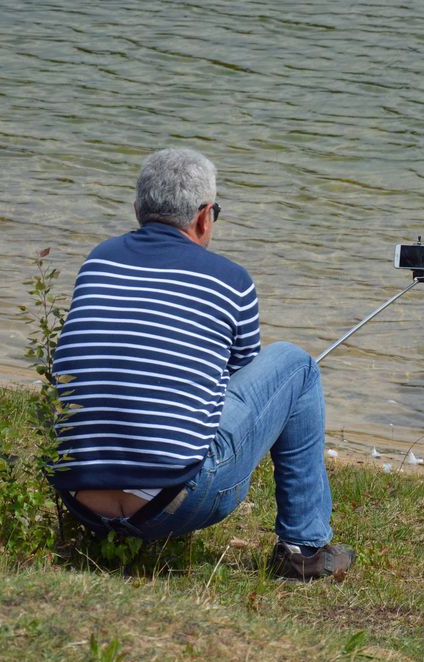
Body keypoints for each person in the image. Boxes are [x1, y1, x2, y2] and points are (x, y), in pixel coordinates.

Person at [47, 147, 355, 580]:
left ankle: (117, 518)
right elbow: (242, 381)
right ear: (204, 215)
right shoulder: (230, 279)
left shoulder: (98, 260)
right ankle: (303, 549)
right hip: (179, 501)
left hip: (79, 500)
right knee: (296, 366)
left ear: (137, 210)